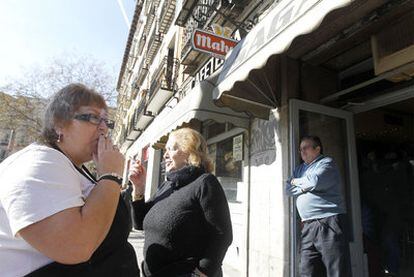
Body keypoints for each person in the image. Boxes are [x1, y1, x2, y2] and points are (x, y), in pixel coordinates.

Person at [0, 84, 140, 276]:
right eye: (92, 117)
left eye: (107, 121)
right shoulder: (39, 163)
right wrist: (110, 175)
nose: (103, 128)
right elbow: (75, 246)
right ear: (59, 124)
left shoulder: (69, 165)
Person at [129, 127, 233, 277]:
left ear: (189, 151)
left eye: (171, 149)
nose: (165, 155)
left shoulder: (205, 183)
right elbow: (139, 223)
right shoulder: (167, 185)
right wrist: (138, 189)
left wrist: (202, 272)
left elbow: (222, 234)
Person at [285, 135, 351, 277]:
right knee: (307, 269)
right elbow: (287, 189)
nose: (302, 152)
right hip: (308, 225)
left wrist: (297, 183)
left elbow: (315, 181)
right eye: (300, 149)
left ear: (317, 149)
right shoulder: (299, 169)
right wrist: (304, 185)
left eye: (306, 148)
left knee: (336, 269)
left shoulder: (327, 163)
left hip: (328, 222)